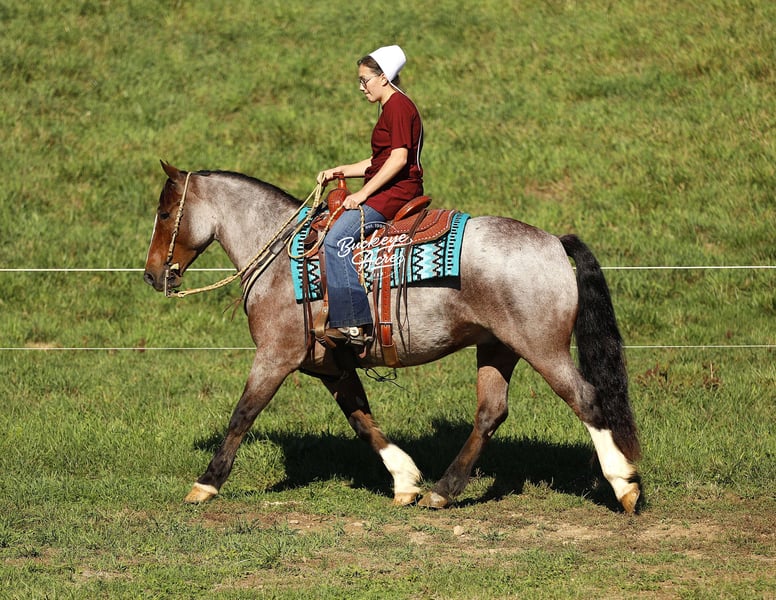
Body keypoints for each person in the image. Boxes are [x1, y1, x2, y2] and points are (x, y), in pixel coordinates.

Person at [317, 44, 424, 349]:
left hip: (395, 193)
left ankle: (354, 322)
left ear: (384, 78)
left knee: (336, 240)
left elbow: (398, 160)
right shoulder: (392, 106)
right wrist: (339, 170)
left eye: (364, 80)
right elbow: (378, 161)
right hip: (388, 189)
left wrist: (362, 194)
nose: (361, 87)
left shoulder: (398, 107)